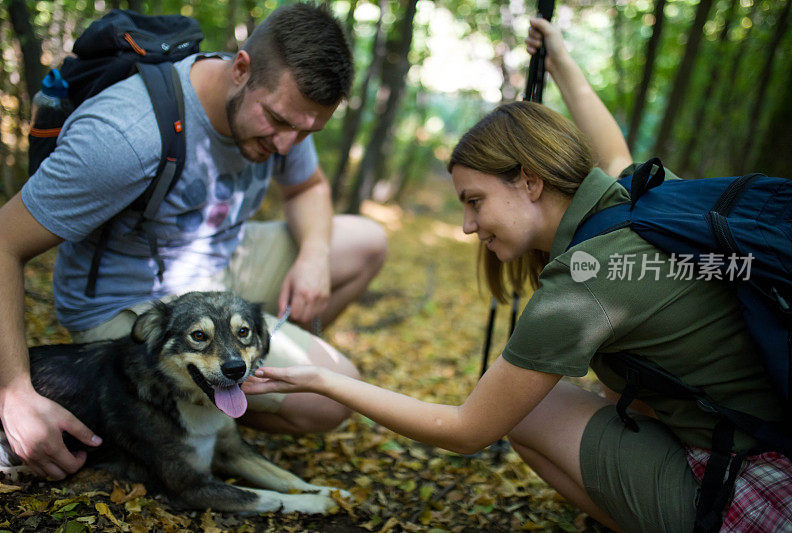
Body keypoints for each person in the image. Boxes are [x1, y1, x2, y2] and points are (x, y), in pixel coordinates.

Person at [242, 17, 792, 532]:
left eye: (474, 201)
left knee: (529, 415)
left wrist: (323, 378)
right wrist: (561, 63)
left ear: (530, 181)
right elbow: (612, 149)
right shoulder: (645, 197)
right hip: (769, 440)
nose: (466, 225)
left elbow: (466, 430)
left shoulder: (588, 281)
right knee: (598, 389)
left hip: (757, 492)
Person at [0, 3, 386, 482]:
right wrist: (12, 392)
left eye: (307, 131)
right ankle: (199, 411)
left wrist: (314, 257)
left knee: (365, 241)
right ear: (240, 69)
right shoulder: (126, 137)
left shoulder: (287, 112)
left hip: (219, 265)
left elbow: (309, 188)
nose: (288, 146)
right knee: (330, 397)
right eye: (280, 122)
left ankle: (225, 387)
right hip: (134, 302)